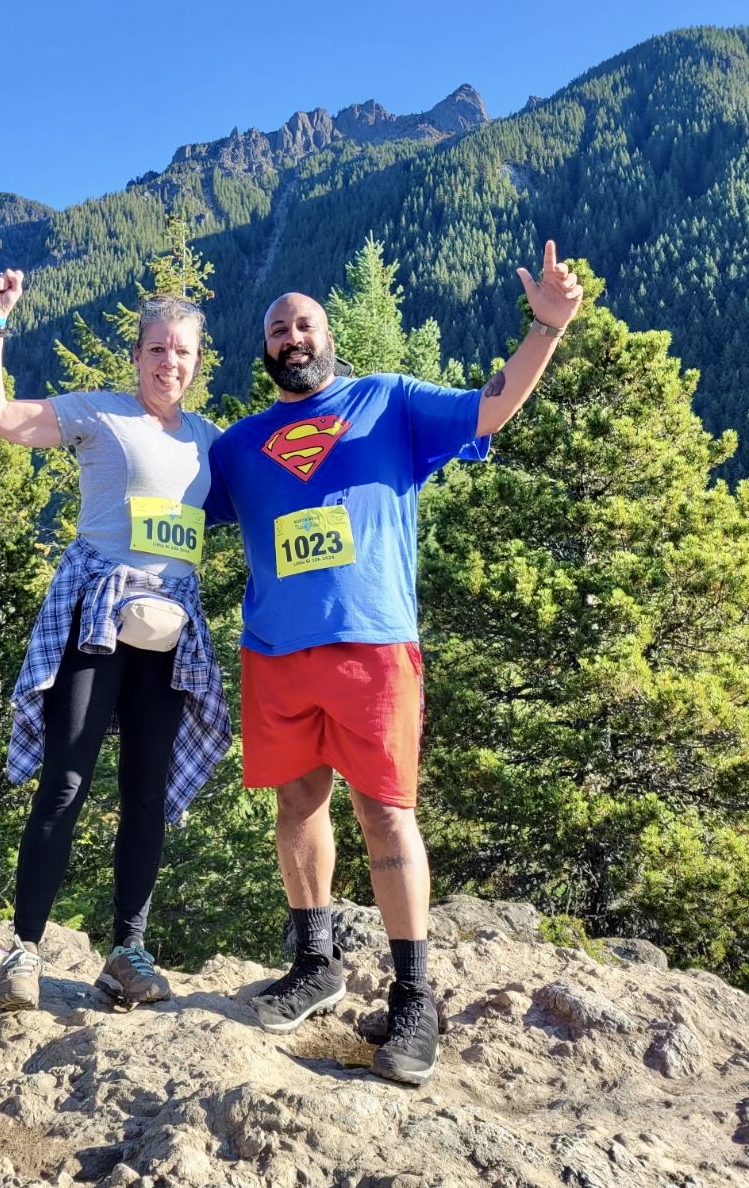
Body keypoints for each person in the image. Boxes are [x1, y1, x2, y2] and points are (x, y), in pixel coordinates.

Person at [205, 240, 582, 1084]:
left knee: (385, 811)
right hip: (275, 654)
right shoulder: (236, 448)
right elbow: (165, 488)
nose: (291, 337)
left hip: (374, 644)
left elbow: (492, 406)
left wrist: (545, 330)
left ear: (328, 336)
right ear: (264, 350)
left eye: (303, 324)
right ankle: (315, 963)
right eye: (276, 330)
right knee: (298, 805)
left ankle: (414, 999)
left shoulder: (390, 403)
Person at [0, 270, 230, 1011]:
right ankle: (23, 952)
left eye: (181, 351)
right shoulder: (100, 415)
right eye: (156, 348)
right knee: (67, 781)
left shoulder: (210, 441)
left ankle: (128, 952)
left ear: (197, 362)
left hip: (170, 630)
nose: (168, 363)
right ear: (137, 355)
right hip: (96, 618)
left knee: (147, 795)